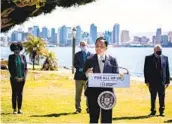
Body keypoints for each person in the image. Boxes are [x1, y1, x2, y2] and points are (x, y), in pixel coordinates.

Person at [84, 37, 119, 123]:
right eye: (97, 46)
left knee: (107, 118)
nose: (98, 48)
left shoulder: (113, 60)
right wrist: (87, 74)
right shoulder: (89, 59)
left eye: (101, 46)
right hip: (92, 93)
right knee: (93, 118)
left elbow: (116, 75)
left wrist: (120, 77)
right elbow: (84, 74)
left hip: (107, 94)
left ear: (106, 48)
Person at [144, 44, 170, 117]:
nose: (159, 51)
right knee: (153, 97)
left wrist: (167, 81)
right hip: (152, 82)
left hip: (162, 81)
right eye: (158, 50)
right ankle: (153, 111)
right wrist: (146, 81)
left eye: (160, 50)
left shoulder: (165, 58)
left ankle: (162, 111)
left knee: (162, 97)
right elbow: (145, 70)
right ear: (154, 50)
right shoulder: (148, 58)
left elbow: (167, 70)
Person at [8, 42, 27, 114]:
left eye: (18, 49)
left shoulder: (23, 57)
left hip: (22, 79)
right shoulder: (11, 57)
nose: (17, 50)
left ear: (20, 49)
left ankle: (19, 109)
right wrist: (15, 77)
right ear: (13, 50)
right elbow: (10, 68)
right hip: (14, 79)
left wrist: (24, 77)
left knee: (20, 93)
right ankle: (14, 109)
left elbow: (25, 68)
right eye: (15, 49)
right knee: (14, 93)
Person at [74, 41, 92, 114]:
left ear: (87, 45)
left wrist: (90, 69)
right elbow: (75, 64)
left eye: (84, 45)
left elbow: (93, 64)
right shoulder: (77, 55)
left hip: (88, 78)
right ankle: (78, 108)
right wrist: (81, 69)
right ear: (80, 46)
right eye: (81, 45)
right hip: (78, 77)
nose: (83, 46)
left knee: (89, 94)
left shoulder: (91, 54)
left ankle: (89, 108)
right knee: (78, 94)